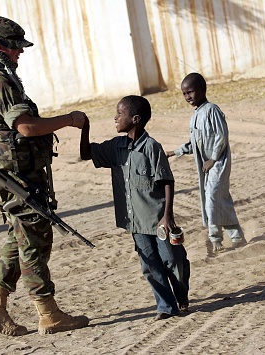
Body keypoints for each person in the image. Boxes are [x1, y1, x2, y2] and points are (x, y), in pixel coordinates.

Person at [0, 16, 89, 336]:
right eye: (14, 47)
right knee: (34, 240)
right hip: (17, 172)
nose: (19, 53)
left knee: (18, 237)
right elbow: (26, 126)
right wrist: (69, 119)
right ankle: (48, 314)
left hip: (7, 168)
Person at [80, 95, 190, 320]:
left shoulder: (152, 147)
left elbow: (167, 180)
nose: (115, 118)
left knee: (172, 262)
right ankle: (166, 307)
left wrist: (167, 216)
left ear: (136, 119)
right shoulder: (115, 147)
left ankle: (181, 295)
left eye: (120, 114)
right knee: (150, 265)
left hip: (158, 220)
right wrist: (85, 128)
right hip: (136, 221)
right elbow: (85, 153)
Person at [166, 73, 246, 255]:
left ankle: (215, 238)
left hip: (218, 163)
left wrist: (213, 159)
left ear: (202, 90)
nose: (188, 97)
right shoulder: (195, 115)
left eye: (191, 92)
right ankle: (237, 237)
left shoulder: (212, 110)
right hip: (207, 166)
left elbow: (221, 136)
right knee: (220, 199)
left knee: (211, 198)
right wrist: (174, 152)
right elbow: (193, 143)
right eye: (184, 94)